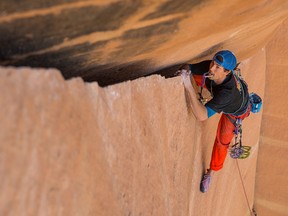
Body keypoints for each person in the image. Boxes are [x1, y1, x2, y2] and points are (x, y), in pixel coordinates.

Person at [178, 50, 251, 193]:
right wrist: (185, 72)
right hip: (221, 91)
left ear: (227, 72)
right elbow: (189, 67)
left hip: (236, 112)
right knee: (201, 77)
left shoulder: (227, 95)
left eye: (217, 67)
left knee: (222, 142)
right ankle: (205, 96)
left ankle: (211, 172)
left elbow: (202, 116)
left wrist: (187, 85)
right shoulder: (212, 68)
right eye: (213, 63)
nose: (211, 68)